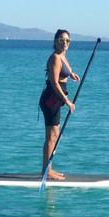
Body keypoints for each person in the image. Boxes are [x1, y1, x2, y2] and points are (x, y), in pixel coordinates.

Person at [39, 29, 79, 180]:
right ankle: (46, 171)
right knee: (51, 136)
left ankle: (49, 168)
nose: (65, 43)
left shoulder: (63, 56)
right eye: (62, 40)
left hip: (56, 100)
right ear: (55, 41)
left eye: (67, 40)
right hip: (51, 99)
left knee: (56, 135)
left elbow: (64, 71)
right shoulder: (55, 58)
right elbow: (55, 83)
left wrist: (71, 74)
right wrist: (68, 101)